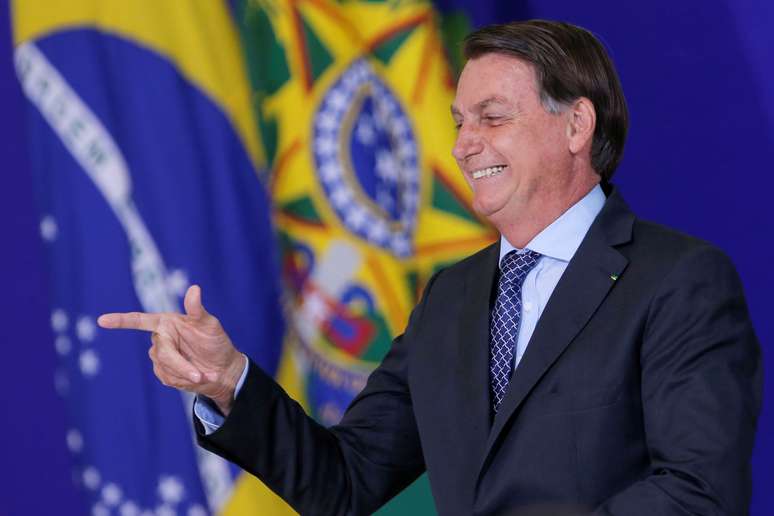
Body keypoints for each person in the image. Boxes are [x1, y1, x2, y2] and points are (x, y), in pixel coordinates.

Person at [98, 20, 762, 516]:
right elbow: (347, 480)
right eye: (459, 121)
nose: (465, 143)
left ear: (576, 125)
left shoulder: (679, 280)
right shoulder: (453, 296)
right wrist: (229, 383)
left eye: (493, 118)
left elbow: (698, 492)